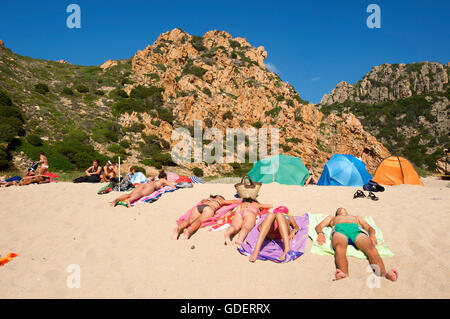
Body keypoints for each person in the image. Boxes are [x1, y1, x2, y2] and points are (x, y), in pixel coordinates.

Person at [315, 207, 398, 281]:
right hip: (340, 230)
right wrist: (320, 234)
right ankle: (344, 274)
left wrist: (372, 235)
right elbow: (318, 226)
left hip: (356, 231)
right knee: (339, 248)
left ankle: (383, 275)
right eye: (338, 209)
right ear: (336, 213)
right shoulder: (332, 217)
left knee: (371, 248)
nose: (341, 208)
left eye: (343, 208)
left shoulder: (356, 217)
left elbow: (369, 228)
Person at [172, 195, 240, 240]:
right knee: (199, 220)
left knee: (189, 220)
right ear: (220, 197)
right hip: (209, 209)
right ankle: (189, 231)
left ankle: (179, 229)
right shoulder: (221, 200)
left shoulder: (208, 200)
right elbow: (235, 201)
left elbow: (202, 201)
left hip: (199, 207)